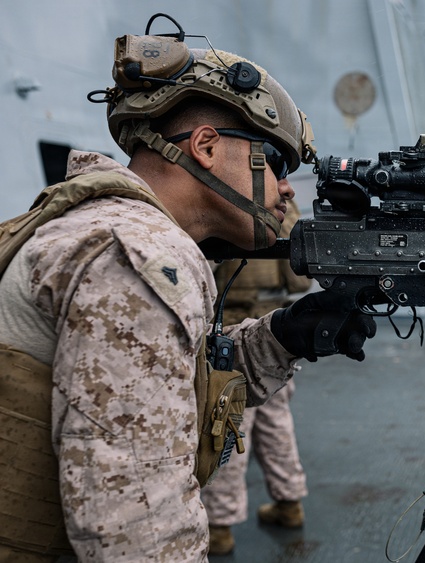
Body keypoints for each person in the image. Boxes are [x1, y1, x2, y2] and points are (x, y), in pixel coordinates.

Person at [0, 19, 375, 562]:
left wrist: (283, 338)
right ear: (204, 146)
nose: (287, 188)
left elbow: (165, 389)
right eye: (273, 161)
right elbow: (134, 528)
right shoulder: (139, 254)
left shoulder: (99, 224)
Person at [202, 198, 312, 556]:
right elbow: (300, 282)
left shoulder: (229, 204)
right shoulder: (287, 212)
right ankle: (289, 502)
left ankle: (218, 525)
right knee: (278, 424)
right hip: (276, 334)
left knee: (227, 432)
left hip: (233, 336)